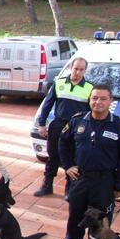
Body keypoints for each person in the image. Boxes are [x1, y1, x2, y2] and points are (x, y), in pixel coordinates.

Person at [50, 85, 120, 239]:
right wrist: (68, 165)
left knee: (100, 225)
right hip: (80, 179)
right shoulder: (78, 120)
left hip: (105, 182)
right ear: (89, 100)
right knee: (76, 218)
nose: (98, 102)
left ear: (110, 101)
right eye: (94, 98)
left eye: (103, 99)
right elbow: (63, 142)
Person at [34, 57, 93, 197]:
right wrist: (42, 124)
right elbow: (47, 104)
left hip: (78, 128)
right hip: (58, 125)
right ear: (70, 68)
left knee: (73, 158)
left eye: (81, 69)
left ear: (85, 70)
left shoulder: (90, 88)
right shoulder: (59, 83)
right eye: (75, 68)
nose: (77, 72)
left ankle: (69, 189)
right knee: (52, 156)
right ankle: (47, 185)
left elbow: (93, 111)